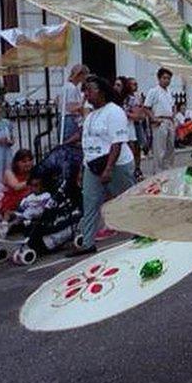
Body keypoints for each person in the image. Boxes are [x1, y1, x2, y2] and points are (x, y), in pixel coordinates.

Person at [68, 75, 136, 256]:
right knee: (90, 203)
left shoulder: (114, 111)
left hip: (116, 164)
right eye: (85, 91)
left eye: (90, 90)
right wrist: (83, 169)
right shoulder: (90, 116)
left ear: (102, 92)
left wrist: (108, 169)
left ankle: (141, 232)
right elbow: (87, 143)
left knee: (127, 201)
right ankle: (87, 242)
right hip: (93, 165)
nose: (87, 94)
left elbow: (117, 142)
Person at [145, 67, 176, 173]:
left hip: (169, 121)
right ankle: (158, 172)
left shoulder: (169, 92)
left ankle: (168, 170)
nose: (166, 80)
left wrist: (173, 118)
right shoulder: (153, 91)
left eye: (168, 78)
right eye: (164, 78)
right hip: (160, 120)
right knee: (160, 149)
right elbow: (146, 107)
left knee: (170, 148)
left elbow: (172, 106)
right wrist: (154, 119)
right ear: (159, 78)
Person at [120, 76, 145, 180]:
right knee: (131, 147)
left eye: (136, 84)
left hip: (136, 124)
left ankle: (137, 168)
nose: (135, 86)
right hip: (129, 125)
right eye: (133, 84)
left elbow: (140, 112)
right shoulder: (124, 98)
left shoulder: (137, 97)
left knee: (137, 147)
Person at [0, 149, 34, 217]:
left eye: (30, 161)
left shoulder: (33, 172)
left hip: (29, 202)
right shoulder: (9, 173)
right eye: (24, 161)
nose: (28, 164)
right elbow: (16, 187)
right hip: (11, 204)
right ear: (17, 163)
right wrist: (32, 180)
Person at [59, 64, 89, 142]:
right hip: (70, 120)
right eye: (85, 76)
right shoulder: (71, 88)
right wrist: (83, 102)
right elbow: (71, 107)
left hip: (65, 119)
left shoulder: (66, 87)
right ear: (80, 75)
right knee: (70, 144)